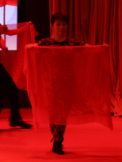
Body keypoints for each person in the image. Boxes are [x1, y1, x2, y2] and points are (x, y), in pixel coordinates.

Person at [35, 12, 86, 154]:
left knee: (63, 112)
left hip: (68, 82)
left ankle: (58, 140)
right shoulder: (45, 43)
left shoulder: (72, 42)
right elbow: (33, 48)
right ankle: (56, 138)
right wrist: (28, 47)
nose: (61, 27)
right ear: (52, 26)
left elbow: (90, 49)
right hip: (50, 82)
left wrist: (103, 48)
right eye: (58, 24)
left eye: (64, 24)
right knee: (53, 111)